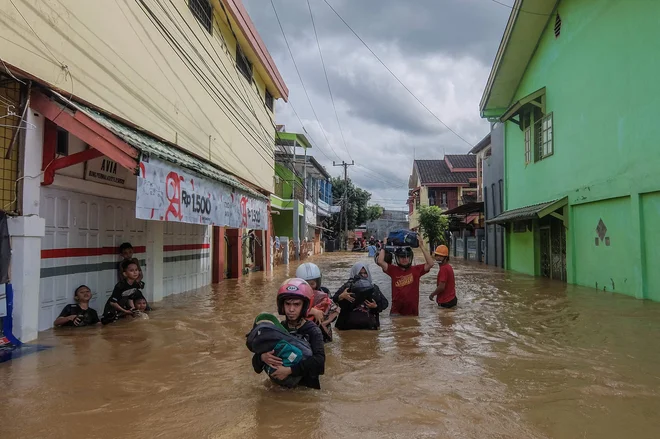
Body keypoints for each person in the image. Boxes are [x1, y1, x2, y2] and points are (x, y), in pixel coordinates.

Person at [251, 278, 325, 389]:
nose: (291, 309)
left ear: (305, 306)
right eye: (287, 304)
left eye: (296, 304)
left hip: (305, 392)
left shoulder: (313, 331)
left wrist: (290, 370)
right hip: (279, 390)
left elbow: (319, 364)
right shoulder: (277, 329)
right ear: (282, 305)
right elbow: (257, 368)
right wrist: (262, 357)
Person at [376, 240, 434, 316]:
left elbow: (431, 263)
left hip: (412, 311)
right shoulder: (393, 270)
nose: (405, 259)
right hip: (396, 311)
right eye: (402, 257)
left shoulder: (416, 270)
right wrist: (384, 245)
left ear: (411, 257)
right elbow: (380, 261)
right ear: (397, 258)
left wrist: (421, 246)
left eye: (407, 256)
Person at [333, 262, 388, 330]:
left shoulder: (374, 288)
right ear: (355, 274)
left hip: (369, 327)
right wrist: (341, 296)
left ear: (368, 274)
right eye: (360, 273)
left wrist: (375, 306)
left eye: (365, 273)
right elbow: (333, 300)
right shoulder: (347, 287)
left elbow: (384, 304)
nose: (363, 275)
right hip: (347, 327)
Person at [295, 262, 339, 342]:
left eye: (312, 284)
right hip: (303, 335)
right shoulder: (295, 295)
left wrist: (324, 316)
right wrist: (313, 311)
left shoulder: (325, 293)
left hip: (323, 334)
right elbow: (290, 313)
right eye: (305, 284)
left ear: (317, 282)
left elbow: (333, 314)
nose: (309, 287)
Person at [102, 259, 146, 325]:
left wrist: (133, 309)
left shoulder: (136, 284)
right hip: (111, 310)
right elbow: (112, 303)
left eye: (136, 270)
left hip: (122, 309)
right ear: (125, 274)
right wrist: (125, 311)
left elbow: (130, 298)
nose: (135, 272)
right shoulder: (120, 286)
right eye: (131, 270)